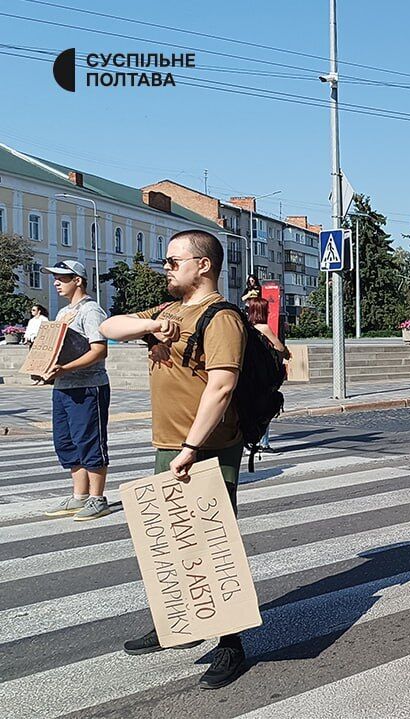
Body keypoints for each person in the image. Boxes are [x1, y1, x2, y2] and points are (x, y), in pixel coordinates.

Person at [100, 229, 247, 689]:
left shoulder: (221, 318)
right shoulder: (166, 312)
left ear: (203, 265)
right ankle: (176, 626)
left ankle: (230, 643)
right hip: (171, 443)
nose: (166, 267)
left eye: (172, 260)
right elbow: (106, 326)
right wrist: (148, 327)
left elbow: (221, 387)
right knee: (174, 539)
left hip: (206, 447)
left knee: (213, 544)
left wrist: (190, 448)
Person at [41, 261, 112, 522]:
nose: (56, 282)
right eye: (55, 277)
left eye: (62, 277)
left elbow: (99, 349)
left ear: (78, 280)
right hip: (63, 386)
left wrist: (64, 368)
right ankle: (80, 495)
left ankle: (97, 498)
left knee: (89, 440)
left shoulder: (91, 311)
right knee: (66, 441)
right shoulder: (63, 313)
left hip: (88, 386)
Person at [245, 295, 288, 453]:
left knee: (249, 408)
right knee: (264, 408)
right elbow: (279, 348)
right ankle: (262, 443)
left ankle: (249, 442)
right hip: (262, 376)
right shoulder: (263, 327)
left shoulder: (246, 328)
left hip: (249, 375)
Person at [26, 304, 49, 385]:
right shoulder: (31, 321)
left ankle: (43, 378)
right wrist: (26, 338)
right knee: (33, 361)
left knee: (41, 360)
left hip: (41, 342)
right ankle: (35, 378)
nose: (32, 312)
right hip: (32, 341)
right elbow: (28, 330)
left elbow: (46, 330)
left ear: (39, 311)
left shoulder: (44, 319)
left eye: (34, 310)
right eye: (32, 310)